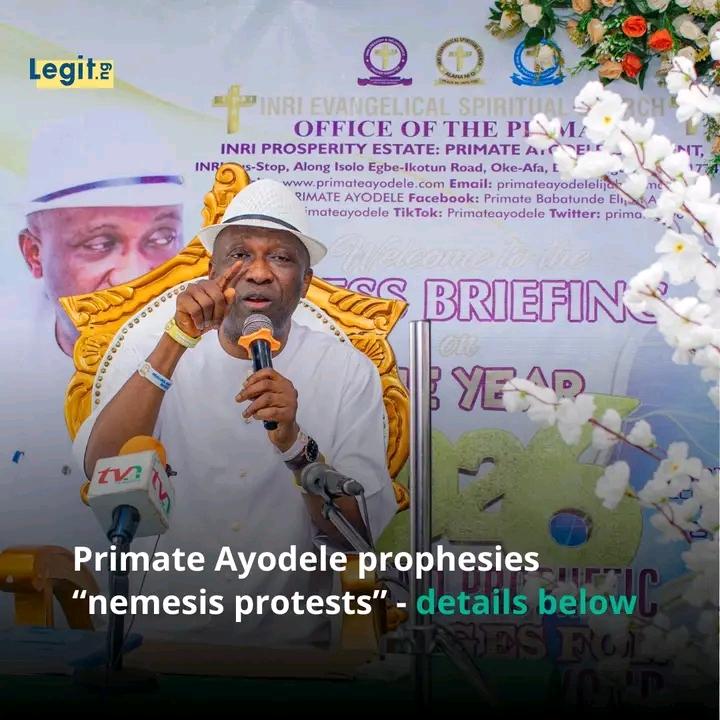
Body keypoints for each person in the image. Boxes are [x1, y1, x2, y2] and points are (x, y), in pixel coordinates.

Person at [72, 178, 398, 646]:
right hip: (154, 637)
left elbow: (356, 536)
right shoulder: (152, 348)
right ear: (213, 271)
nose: (259, 273)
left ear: (305, 283)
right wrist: (177, 340)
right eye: (240, 254)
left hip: (287, 644)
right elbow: (102, 467)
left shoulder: (346, 370)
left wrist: (296, 446)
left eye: (281, 258)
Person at [0, 111, 186, 589]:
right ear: (34, 254)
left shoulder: (231, 355)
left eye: (162, 238)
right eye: (100, 244)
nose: (135, 275)